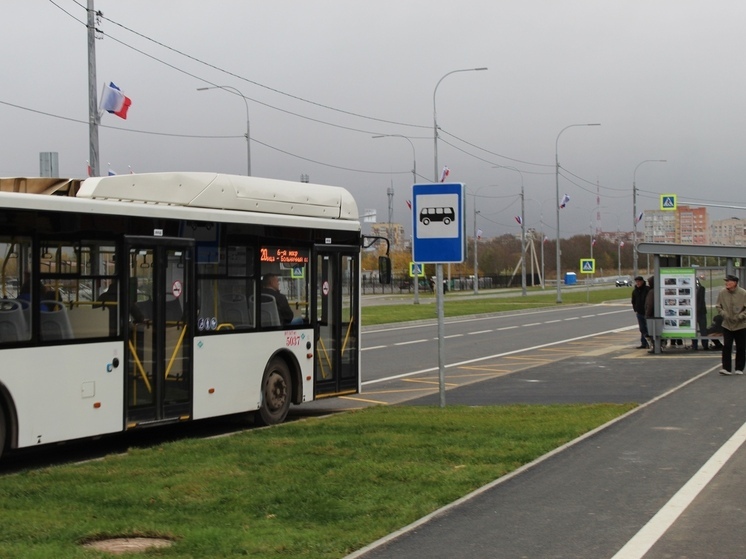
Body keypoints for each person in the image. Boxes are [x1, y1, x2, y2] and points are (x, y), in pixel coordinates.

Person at [715, 274, 746, 375]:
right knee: (727, 346)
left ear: (735, 283)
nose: (727, 283)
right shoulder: (722, 292)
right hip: (727, 324)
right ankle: (726, 368)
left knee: (741, 347)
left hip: (741, 325)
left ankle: (739, 368)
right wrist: (724, 314)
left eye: (729, 281)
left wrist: (740, 316)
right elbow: (718, 306)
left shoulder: (743, 293)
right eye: (726, 281)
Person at [631, 276, 650, 349]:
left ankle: (649, 342)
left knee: (648, 328)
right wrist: (635, 310)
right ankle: (643, 343)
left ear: (642, 281)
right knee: (642, 328)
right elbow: (633, 301)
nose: (638, 283)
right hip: (639, 312)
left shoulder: (647, 289)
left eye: (639, 281)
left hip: (647, 312)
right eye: (636, 281)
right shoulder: (635, 291)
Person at [691, 279, 709, 351]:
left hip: (700, 312)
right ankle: (696, 345)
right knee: (695, 330)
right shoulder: (700, 289)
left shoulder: (701, 289)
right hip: (698, 312)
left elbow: (701, 301)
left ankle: (704, 344)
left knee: (703, 330)